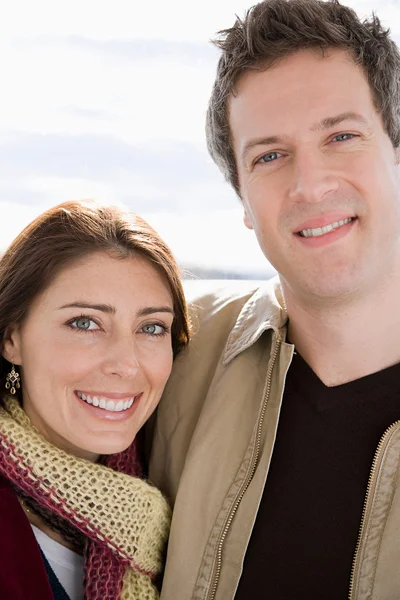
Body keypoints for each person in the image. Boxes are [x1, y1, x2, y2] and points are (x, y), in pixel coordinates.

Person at [148, 0, 400, 598]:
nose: (310, 184)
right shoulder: (169, 353)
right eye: (269, 155)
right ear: (242, 200)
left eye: (341, 136)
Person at [0, 200, 189, 600]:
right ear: (11, 338)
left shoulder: (157, 516)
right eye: (84, 323)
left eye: (152, 327)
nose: (126, 364)